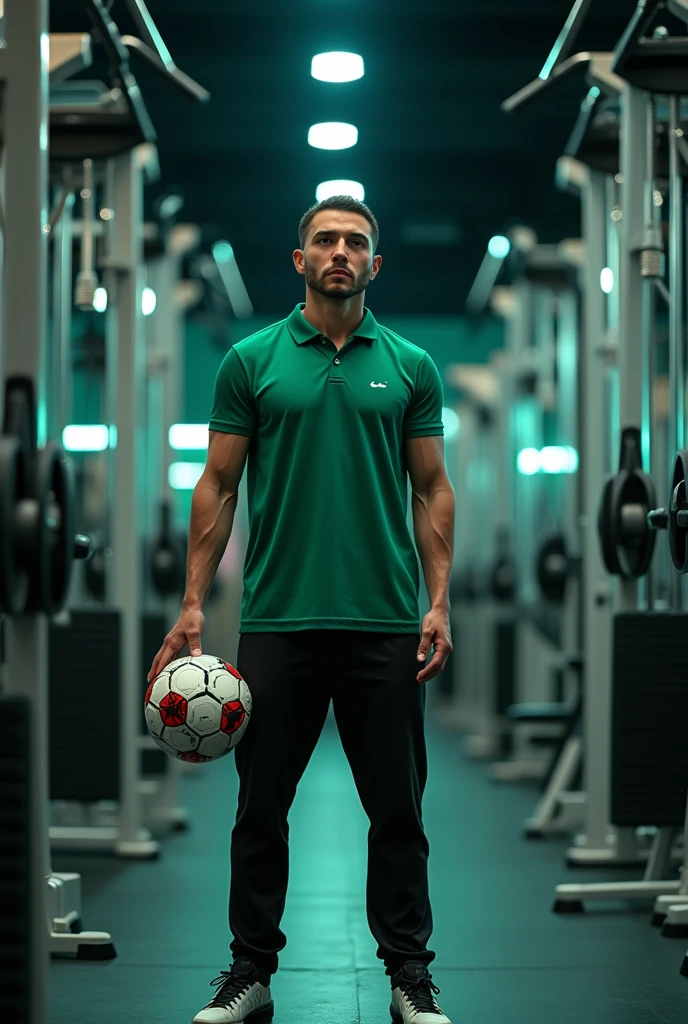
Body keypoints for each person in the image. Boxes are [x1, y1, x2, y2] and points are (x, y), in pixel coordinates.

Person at [148, 196, 456, 1024]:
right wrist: (191, 605)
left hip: (385, 621)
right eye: (325, 239)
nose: (340, 252)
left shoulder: (411, 364)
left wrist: (437, 602)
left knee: (398, 810)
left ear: (375, 265)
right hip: (279, 619)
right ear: (299, 259)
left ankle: (409, 976)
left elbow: (431, 487)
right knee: (260, 809)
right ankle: (249, 970)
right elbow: (216, 484)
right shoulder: (251, 360)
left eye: (356, 242)